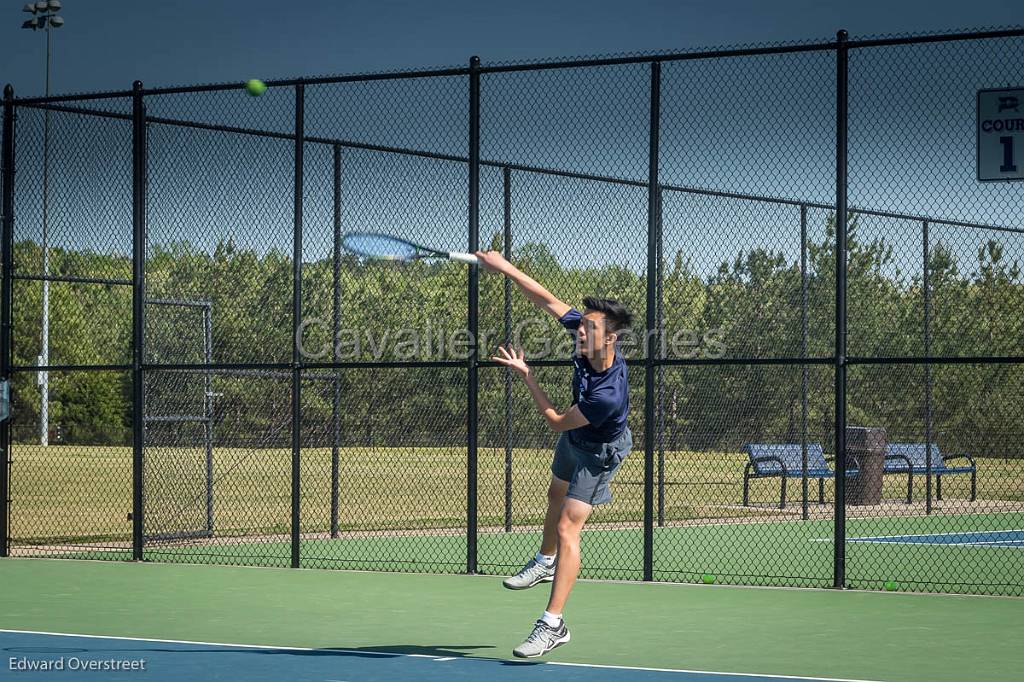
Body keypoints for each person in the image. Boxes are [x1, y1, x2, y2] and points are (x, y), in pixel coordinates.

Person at [476, 250, 633, 659]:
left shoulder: (607, 395)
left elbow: (556, 420)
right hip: (575, 440)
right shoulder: (585, 336)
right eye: (580, 325)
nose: (580, 332)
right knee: (553, 493)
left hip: (598, 450)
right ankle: (545, 561)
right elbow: (545, 298)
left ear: (610, 338)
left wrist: (527, 376)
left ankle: (552, 624)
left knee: (568, 527)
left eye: (589, 329)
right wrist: (505, 268)